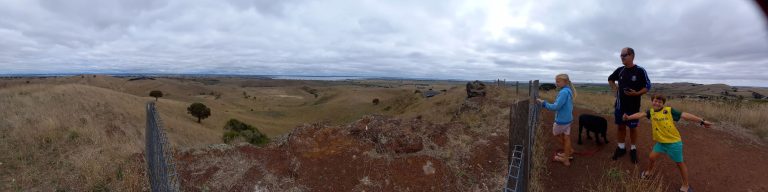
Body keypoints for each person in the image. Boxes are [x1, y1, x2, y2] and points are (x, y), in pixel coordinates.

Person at [623, 94, 712, 192]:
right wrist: (628, 117)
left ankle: (686, 185)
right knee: (652, 157)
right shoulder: (651, 112)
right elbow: (640, 114)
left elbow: (685, 115)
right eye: (655, 101)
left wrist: (702, 121)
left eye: (660, 102)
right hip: (661, 143)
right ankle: (649, 172)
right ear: (652, 101)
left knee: (679, 164)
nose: (657, 103)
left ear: (663, 104)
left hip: (674, 143)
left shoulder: (668, 111)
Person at [608, 47, 651, 164]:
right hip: (620, 106)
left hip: (633, 107)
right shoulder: (620, 70)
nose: (622, 57)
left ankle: (633, 148)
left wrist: (637, 93)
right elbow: (610, 79)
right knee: (620, 126)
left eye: (624, 55)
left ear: (632, 55)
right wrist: (615, 89)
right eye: (621, 55)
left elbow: (648, 86)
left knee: (632, 128)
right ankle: (621, 147)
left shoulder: (640, 70)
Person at [537, 74, 577, 166]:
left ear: (565, 82)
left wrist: (544, 103)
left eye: (558, 81)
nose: (556, 83)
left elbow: (556, 106)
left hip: (562, 120)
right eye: (556, 81)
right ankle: (567, 154)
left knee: (556, 134)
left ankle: (567, 155)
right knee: (566, 137)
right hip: (568, 119)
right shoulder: (568, 90)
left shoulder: (563, 92)